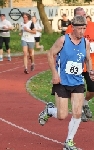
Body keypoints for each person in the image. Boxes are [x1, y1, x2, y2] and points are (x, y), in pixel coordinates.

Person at [38, 15, 93, 150]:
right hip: (62, 82)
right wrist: (55, 74)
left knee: (77, 113)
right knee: (62, 115)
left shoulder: (85, 42)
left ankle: (69, 141)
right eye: (79, 29)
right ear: (72, 28)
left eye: (84, 28)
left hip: (78, 81)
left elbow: (87, 58)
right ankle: (50, 110)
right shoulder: (63, 40)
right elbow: (50, 54)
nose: (82, 31)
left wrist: (91, 71)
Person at [66, 7, 94, 122]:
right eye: (80, 16)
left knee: (92, 89)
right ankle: (79, 111)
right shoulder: (70, 29)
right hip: (75, 64)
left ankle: (84, 103)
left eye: (84, 15)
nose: (83, 17)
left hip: (90, 64)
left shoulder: (92, 26)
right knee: (77, 90)